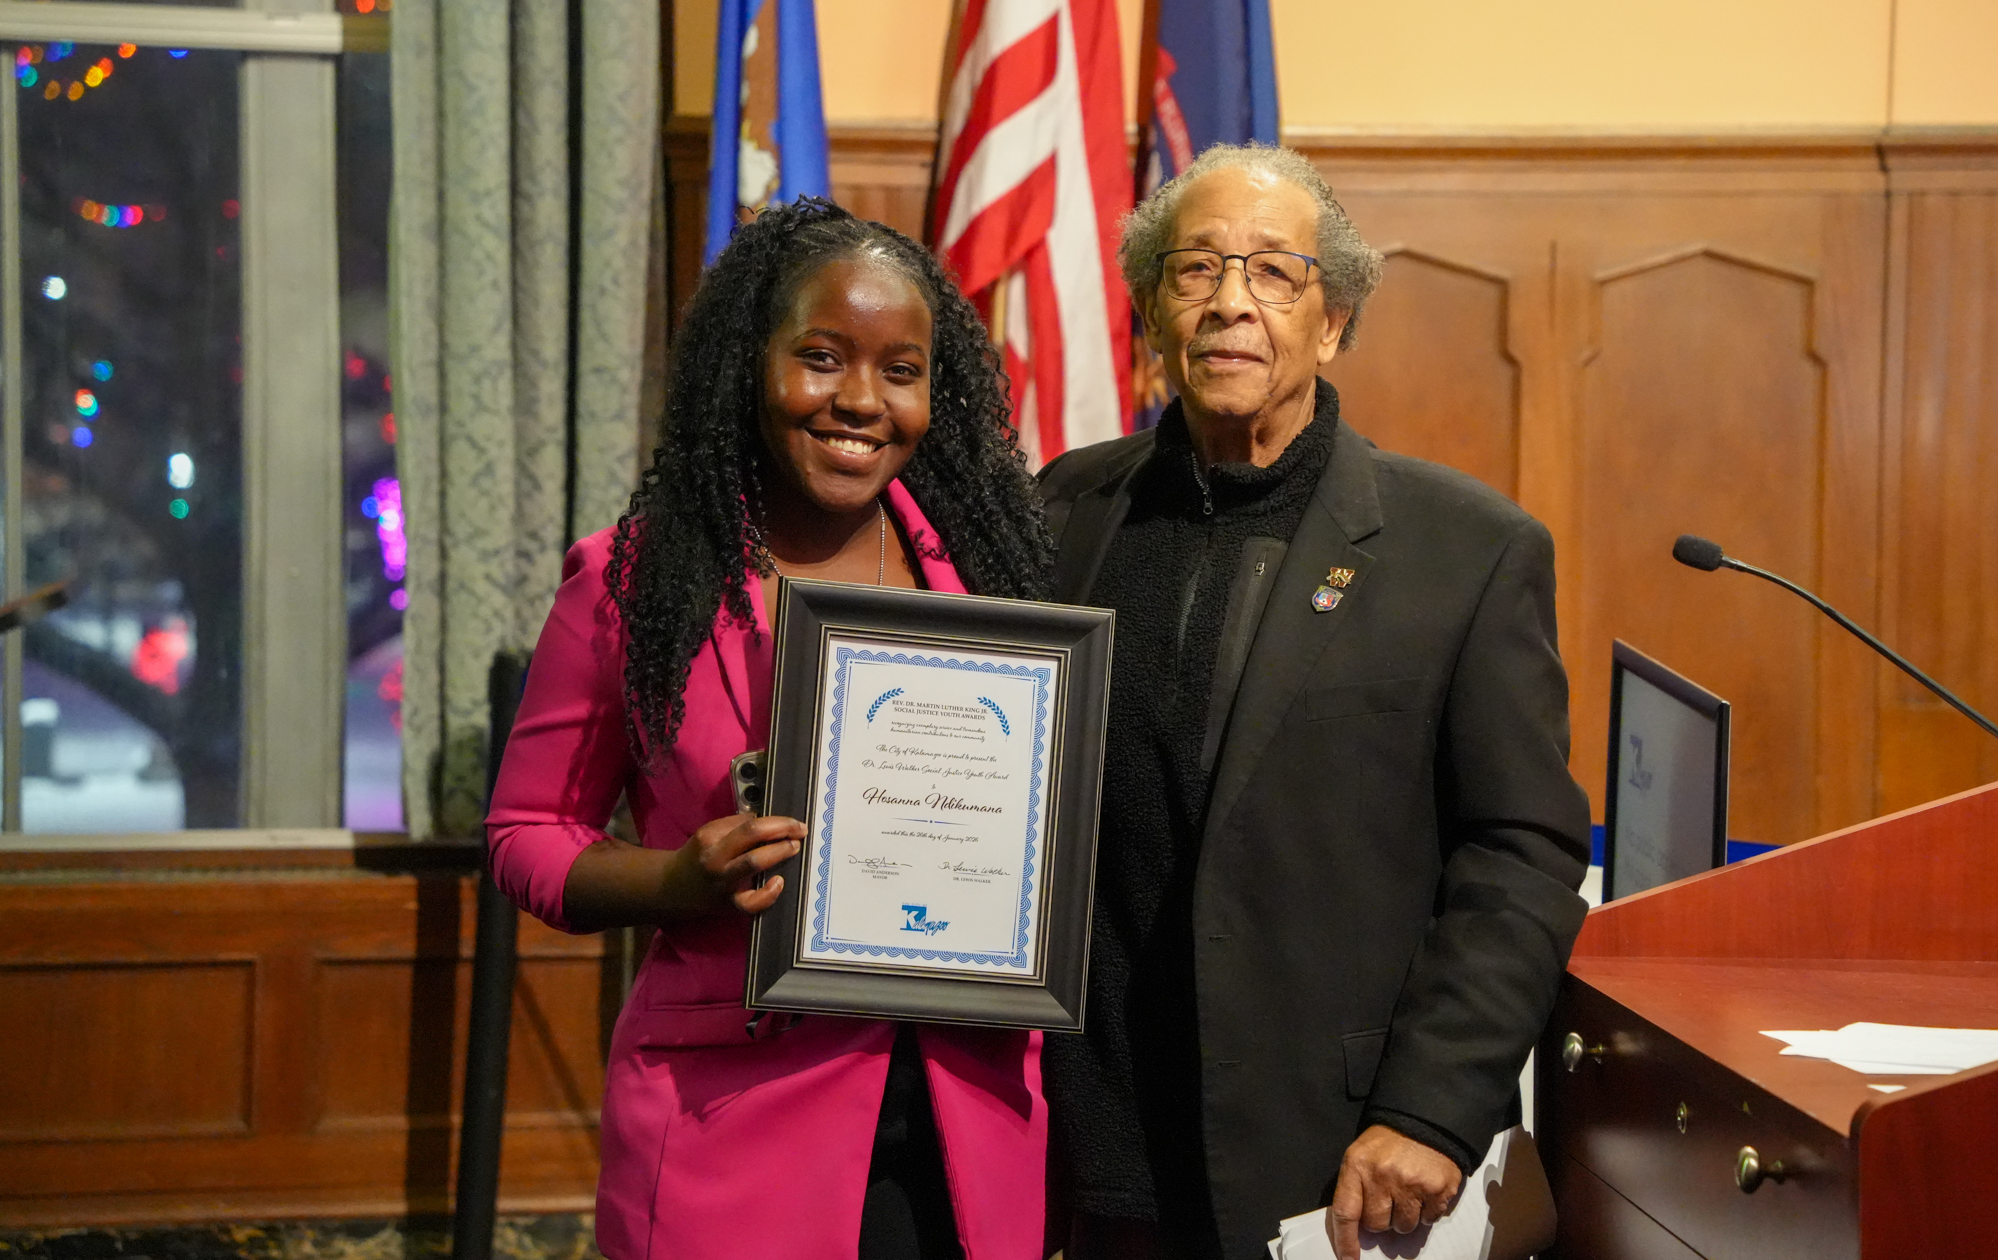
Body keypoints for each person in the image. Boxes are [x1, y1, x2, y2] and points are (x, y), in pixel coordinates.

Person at [1037, 144, 1591, 1260]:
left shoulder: (1466, 552)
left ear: (1332, 322)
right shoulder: (1063, 510)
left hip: (1327, 1159)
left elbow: (1519, 853)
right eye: (1196, 268)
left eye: (1273, 272)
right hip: (1086, 1145)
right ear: (1151, 311)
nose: (1229, 302)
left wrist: (1429, 1109)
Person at [486, 198, 1056, 1260]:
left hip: (961, 1132)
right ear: (753, 363)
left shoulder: (991, 582)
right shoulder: (630, 583)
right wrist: (674, 882)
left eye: (900, 370)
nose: (861, 400)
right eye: (821, 357)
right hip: (731, 1123)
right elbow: (524, 834)